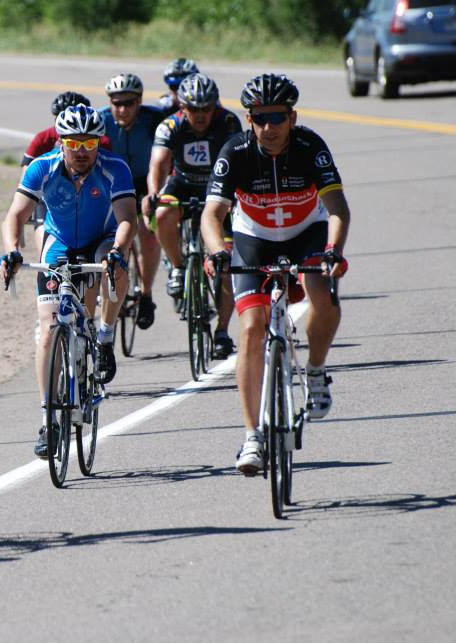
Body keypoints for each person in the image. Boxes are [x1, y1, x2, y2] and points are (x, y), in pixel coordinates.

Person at [200, 74, 350, 476]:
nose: (269, 128)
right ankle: (252, 436)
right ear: (249, 119)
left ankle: (316, 370)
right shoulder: (235, 152)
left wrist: (334, 251)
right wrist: (218, 250)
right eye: (260, 118)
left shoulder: (310, 147)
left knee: (321, 291)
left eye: (277, 118)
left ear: (292, 117)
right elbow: (211, 214)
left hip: (306, 234)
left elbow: (337, 208)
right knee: (251, 328)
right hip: (254, 239)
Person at [0, 105, 137, 458]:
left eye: (89, 143)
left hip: (101, 238)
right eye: (73, 142)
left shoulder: (114, 168)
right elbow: (15, 215)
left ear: (98, 142)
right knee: (48, 329)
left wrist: (117, 250)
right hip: (59, 242)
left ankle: (104, 336)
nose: (81, 151)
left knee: (117, 265)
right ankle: (48, 419)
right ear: (60, 141)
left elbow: (126, 220)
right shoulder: (41, 168)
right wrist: (12, 251)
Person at [146, 73, 241, 359]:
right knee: (162, 213)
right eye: (194, 109)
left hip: (219, 190)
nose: (200, 115)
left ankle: (222, 331)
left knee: (224, 261)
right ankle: (177, 266)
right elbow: (158, 164)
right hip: (183, 182)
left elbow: (243, 161)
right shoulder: (170, 125)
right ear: (182, 108)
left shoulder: (228, 123)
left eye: (206, 108)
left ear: (216, 106)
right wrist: (153, 192)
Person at [100, 73, 164, 331]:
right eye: (117, 103)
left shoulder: (154, 120)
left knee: (148, 233)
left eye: (129, 103)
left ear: (139, 102)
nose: (123, 109)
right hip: (113, 184)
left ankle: (146, 294)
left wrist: (155, 192)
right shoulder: (101, 121)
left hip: (143, 181)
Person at [21, 91, 112, 258]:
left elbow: (105, 170)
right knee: (43, 230)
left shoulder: (102, 141)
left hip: (86, 190)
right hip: (47, 191)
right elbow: (26, 174)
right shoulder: (43, 138)